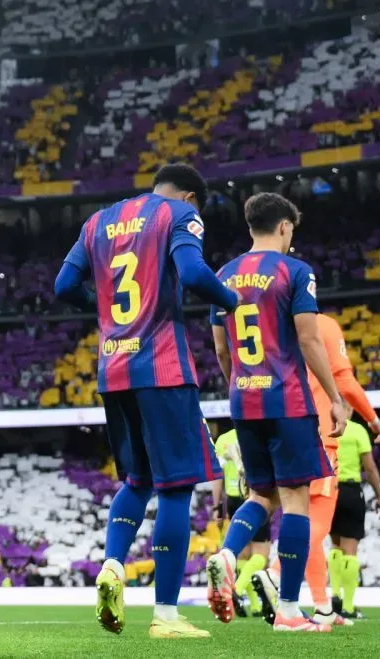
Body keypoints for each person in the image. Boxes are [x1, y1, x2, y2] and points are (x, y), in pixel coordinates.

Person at [55, 162, 238, 639]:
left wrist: (104, 311)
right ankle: (166, 616)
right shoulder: (179, 213)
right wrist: (231, 300)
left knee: (137, 480)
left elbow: (63, 287)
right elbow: (194, 273)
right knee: (176, 486)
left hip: (114, 368)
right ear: (191, 198)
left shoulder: (97, 221)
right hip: (162, 367)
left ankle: (113, 565)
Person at [204, 192, 348, 633]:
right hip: (286, 398)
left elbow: (221, 350)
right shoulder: (295, 271)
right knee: (295, 500)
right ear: (284, 226)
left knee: (261, 495)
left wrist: (241, 386)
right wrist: (334, 397)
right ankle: (287, 609)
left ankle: (228, 555)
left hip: (243, 400)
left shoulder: (222, 275)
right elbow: (308, 339)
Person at [254, 312, 380, 627]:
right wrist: (373, 419)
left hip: (280, 427)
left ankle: (323, 606)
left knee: (302, 518)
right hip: (318, 432)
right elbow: (345, 381)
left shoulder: (273, 323)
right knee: (319, 524)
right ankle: (276, 572)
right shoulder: (322, 325)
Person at [327, 419, 380, 620]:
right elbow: (370, 468)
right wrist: (379, 497)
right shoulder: (357, 430)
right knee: (350, 549)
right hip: (351, 490)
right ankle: (348, 606)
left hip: (330, 489)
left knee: (335, 546)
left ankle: (335, 594)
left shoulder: (326, 427)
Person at [211, 426, 270, 617]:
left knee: (243, 556)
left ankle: (255, 606)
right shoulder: (257, 433)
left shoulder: (223, 440)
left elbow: (217, 477)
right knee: (261, 554)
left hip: (233, 500)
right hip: (255, 497)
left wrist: (216, 506)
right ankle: (237, 588)